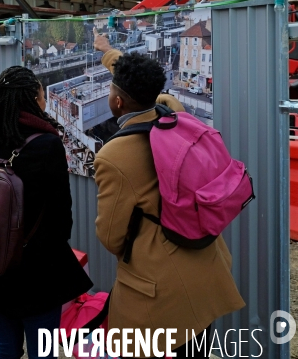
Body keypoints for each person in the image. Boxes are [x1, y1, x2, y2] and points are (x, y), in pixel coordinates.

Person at [93, 30, 245, 359]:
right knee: (198, 345)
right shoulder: (175, 114)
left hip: (160, 283)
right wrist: (108, 53)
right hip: (205, 262)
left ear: (118, 101)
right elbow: (138, 80)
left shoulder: (114, 156)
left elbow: (110, 236)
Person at [0, 66, 93, 359]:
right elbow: (61, 211)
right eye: (42, 96)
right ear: (31, 99)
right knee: (43, 351)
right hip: (37, 265)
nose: (44, 102)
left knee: (5, 346)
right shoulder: (46, 143)